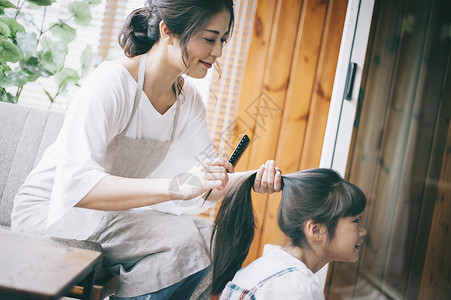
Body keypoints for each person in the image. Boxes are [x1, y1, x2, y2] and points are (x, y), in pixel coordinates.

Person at [10, 0, 282, 299]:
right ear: (167, 30)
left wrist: (249, 179)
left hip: (108, 216)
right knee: (185, 244)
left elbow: (196, 185)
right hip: (53, 212)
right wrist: (175, 187)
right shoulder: (111, 84)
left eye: (223, 40)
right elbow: (77, 186)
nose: (218, 52)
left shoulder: (187, 101)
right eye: (209, 38)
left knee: (212, 239)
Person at [211, 168, 367, 299]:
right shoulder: (296, 288)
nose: (363, 231)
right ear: (316, 230)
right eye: (356, 221)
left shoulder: (273, 270)